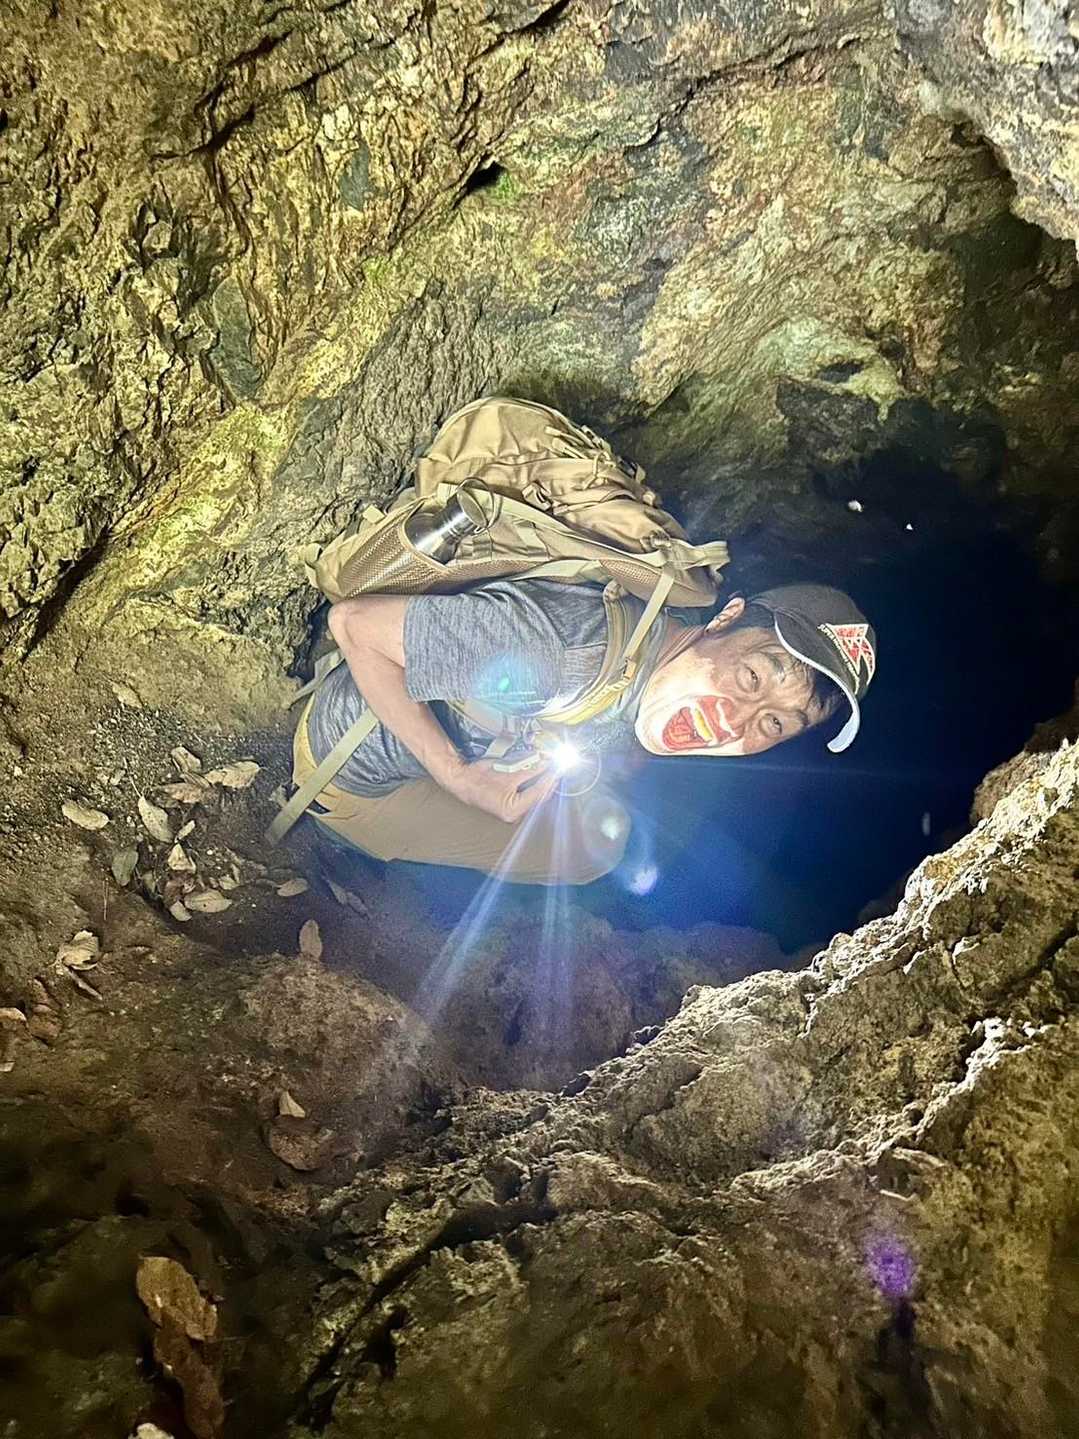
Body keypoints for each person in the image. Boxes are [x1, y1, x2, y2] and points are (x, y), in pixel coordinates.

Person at [291, 578, 876, 885]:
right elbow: (354, 623)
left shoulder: (653, 632)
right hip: (343, 769)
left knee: (598, 814)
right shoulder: (554, 658)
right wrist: (458, 776)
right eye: (752, 676)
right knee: (589, 854)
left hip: (434, 727)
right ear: (726, 619)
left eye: (773, 723)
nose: (735, 721)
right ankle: (353, 848)